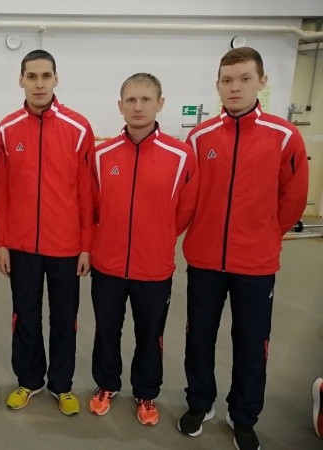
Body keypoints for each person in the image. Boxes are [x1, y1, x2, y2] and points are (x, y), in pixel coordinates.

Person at [177, 47, 309, 450]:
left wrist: (266, 234)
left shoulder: (284, 136)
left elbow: (293, 200)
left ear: (261, 82)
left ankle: (244, 415)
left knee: (251, 342)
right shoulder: (199, 137)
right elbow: (188, 196)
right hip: (204, 259)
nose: (235, 87)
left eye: (244, 79)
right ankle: (200, 402)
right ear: (217, 85)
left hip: (255, 263)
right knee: (199, 335)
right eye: (227, 80)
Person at [89, 73, 198, 425]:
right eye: (131, 100)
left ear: (159, 104)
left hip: (154, 268)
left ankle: (146, 392)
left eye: (146, 99)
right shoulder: (101, 155)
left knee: (150, 336)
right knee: (107, 331)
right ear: (120, 106)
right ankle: (106, 384)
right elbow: (92, 207)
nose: (138, 107)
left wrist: (160, 236)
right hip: (107, 266)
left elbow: (185, 209)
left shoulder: (180, 155)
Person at [0, 49, 95, 416]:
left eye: (45, 76)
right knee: (25, 316)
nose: (39, 83)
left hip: (65, 246)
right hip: (22, 246)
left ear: (56, 79)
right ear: (21, 80)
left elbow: (86, 192)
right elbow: (2, 191)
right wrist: (2, 242)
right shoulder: (7, 129)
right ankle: (29, 380)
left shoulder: (78, 128)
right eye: (32, 76)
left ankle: (61, 385)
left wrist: (86, 245)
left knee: (64, 320)